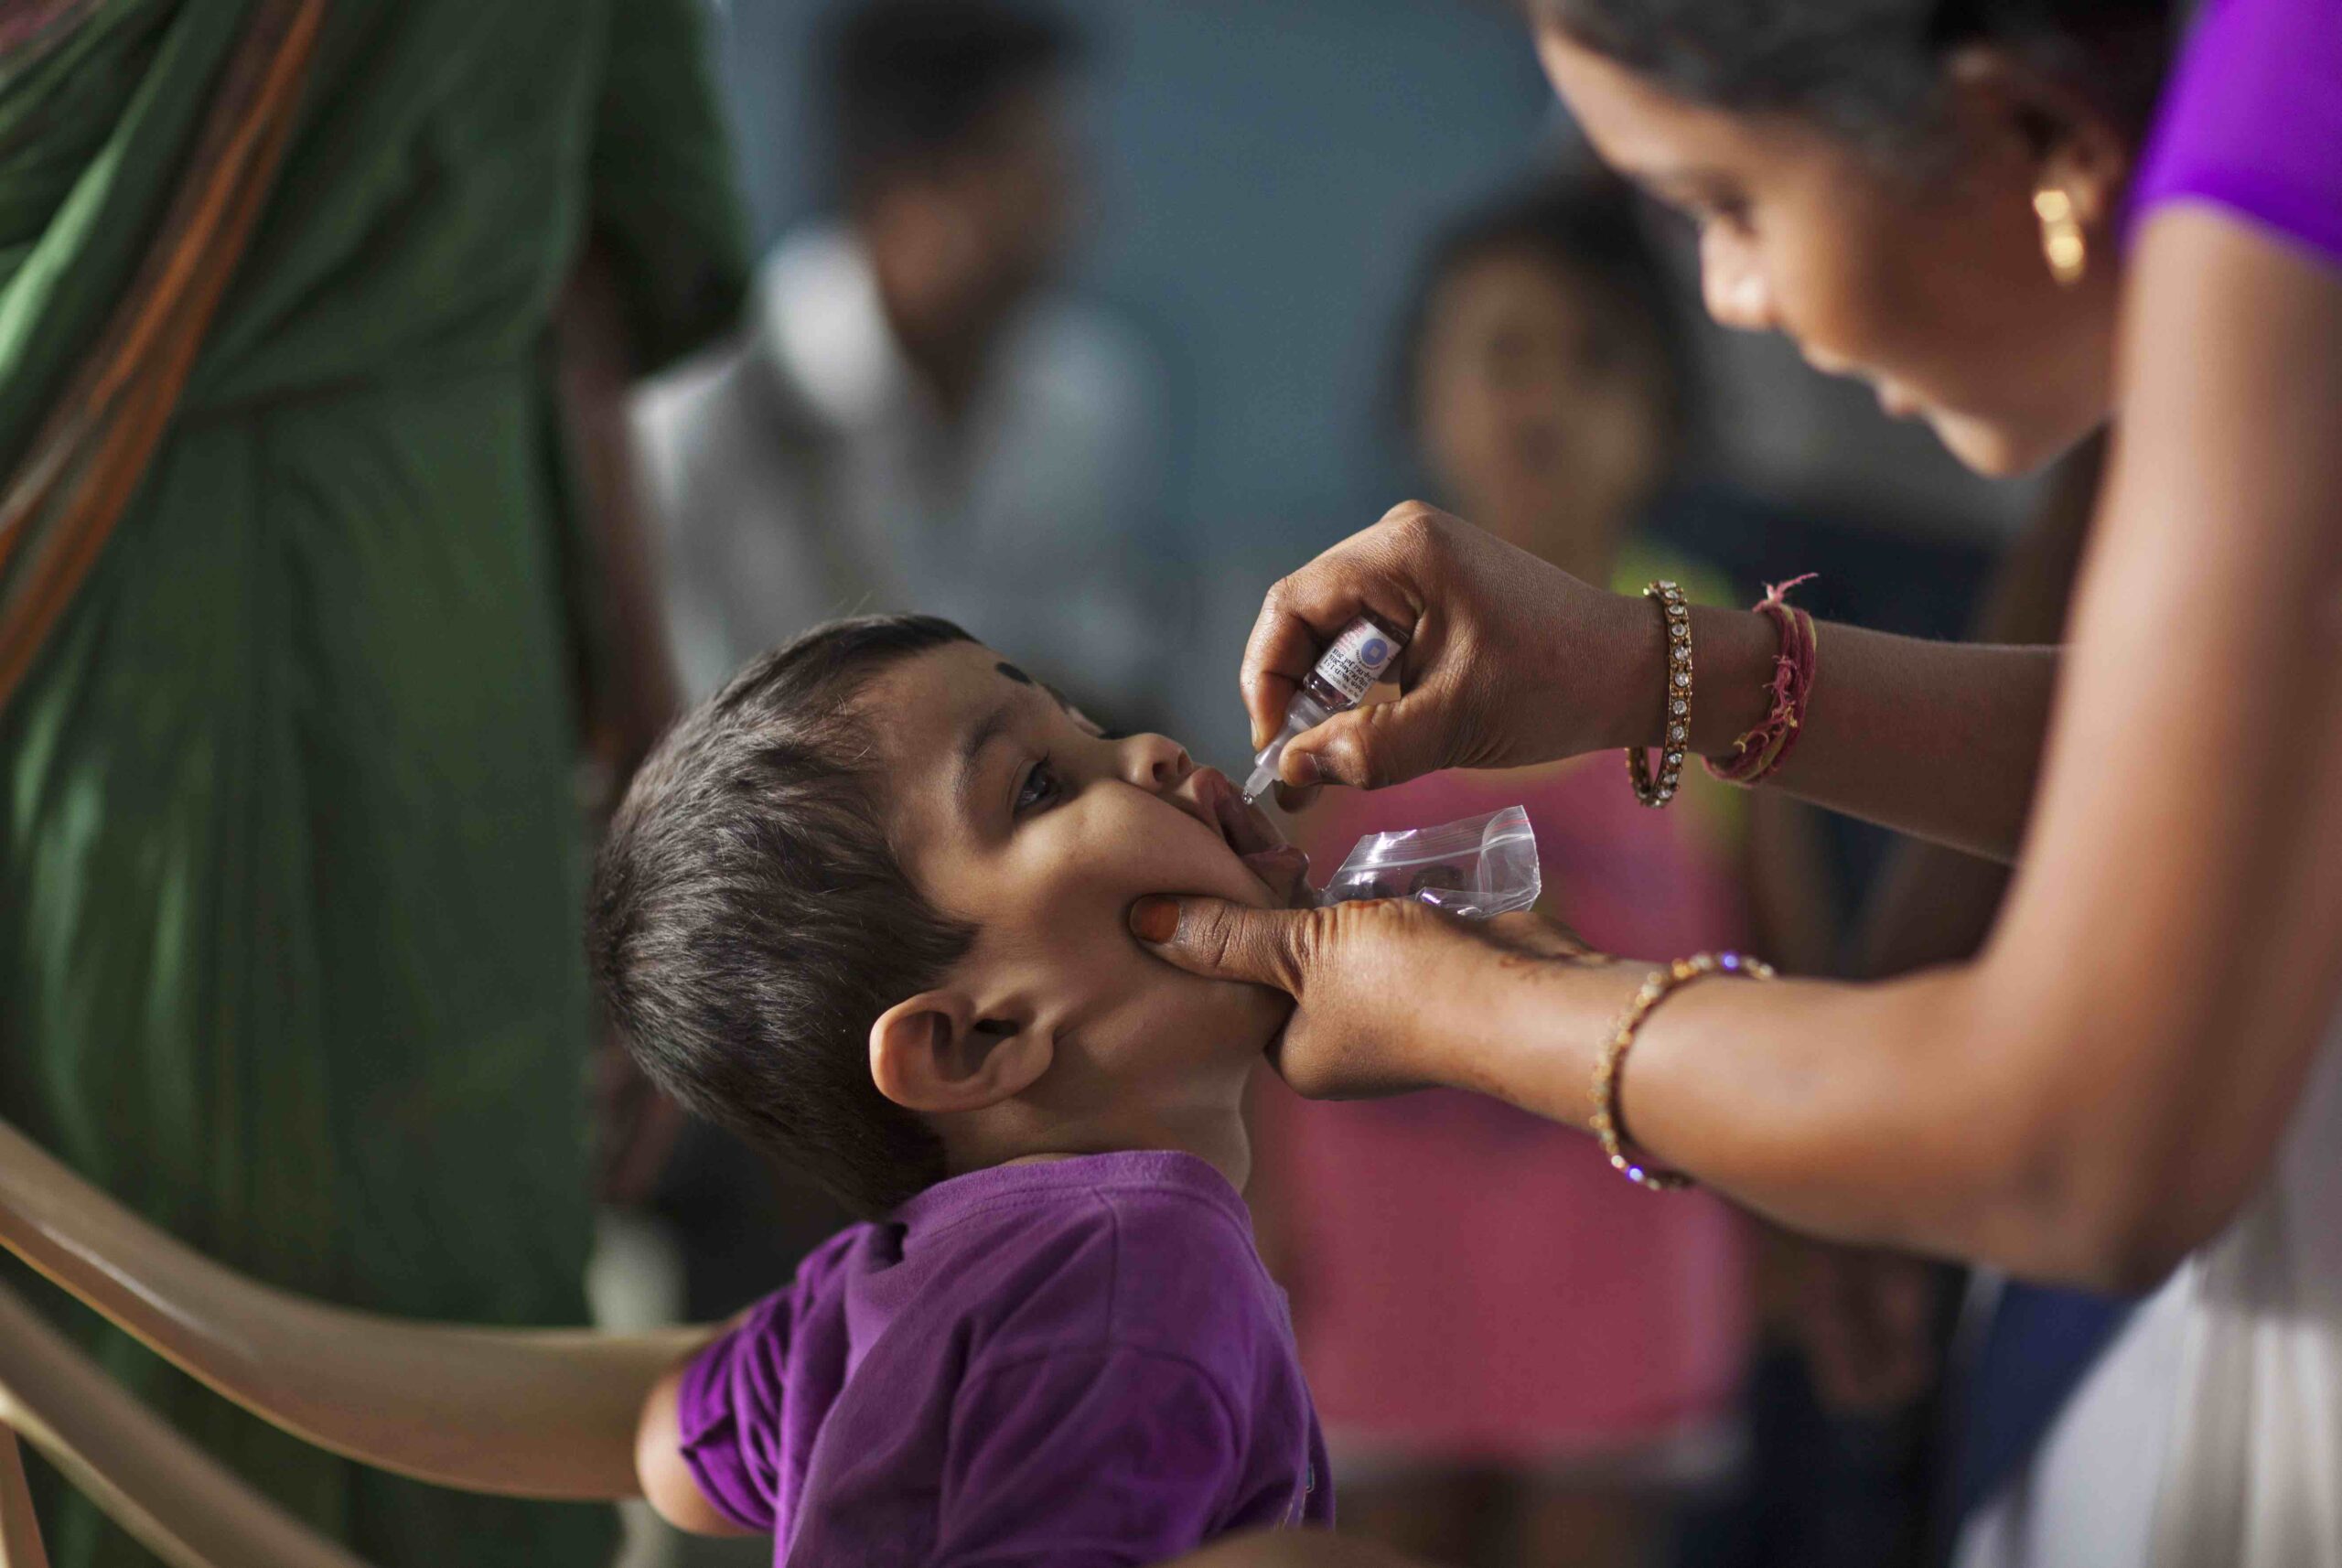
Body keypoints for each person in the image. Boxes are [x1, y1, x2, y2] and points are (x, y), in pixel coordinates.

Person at [1123, 3, 2342, 1564]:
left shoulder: (2284, 110)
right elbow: (2215, 754)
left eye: (1728, 205)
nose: (1734, 299)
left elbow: (2081, 1148)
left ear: (2030, 135)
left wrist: (1481, 1012)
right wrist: (1648, 669)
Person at [0, 4, 745, 1566]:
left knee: (454, 1266)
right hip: (75, 610)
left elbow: (572, 249)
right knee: (80, 1274)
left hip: (437, 651)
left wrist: (653, 761)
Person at [1252, 182, 1786, 1568]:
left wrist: (1805, 1224)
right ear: (1424, 392)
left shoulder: (1728, 668)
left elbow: (1795, 963)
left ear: (1668, 412)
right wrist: (1251, 1198)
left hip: (1624, 1236)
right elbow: (1257, 956)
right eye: (1503, 353)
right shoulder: (1343, 659)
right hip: (1376, 1244)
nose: (1546, 396)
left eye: (1596, 358)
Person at [590, 615, 1332, 1560]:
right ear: (971, 1040)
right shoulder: (1139, 1277)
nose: (1150, 751)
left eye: (1084, 725)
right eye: (1039, 785)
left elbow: (671, 1444)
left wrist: (330, 1370)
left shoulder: (900, 1281)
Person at [632, 0, 1169, 720]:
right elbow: (683, 745)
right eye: (1031, 156)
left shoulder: (1090, 396)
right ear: (907, 185)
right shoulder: (710, 412)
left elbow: (1110, 673)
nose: (1073, 192)